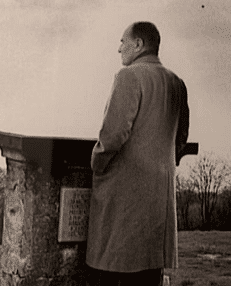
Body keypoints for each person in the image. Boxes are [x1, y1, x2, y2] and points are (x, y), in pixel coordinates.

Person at [86, 22, 190, 286]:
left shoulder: (128, 76)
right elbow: (181, 140)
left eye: (123, 41)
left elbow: (112, 136)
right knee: (149, 275)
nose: (118, 48)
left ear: (139, 45)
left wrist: (97, 164)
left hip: (124, 197)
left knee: (113, 272)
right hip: (159, 198)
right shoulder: (177, 83)